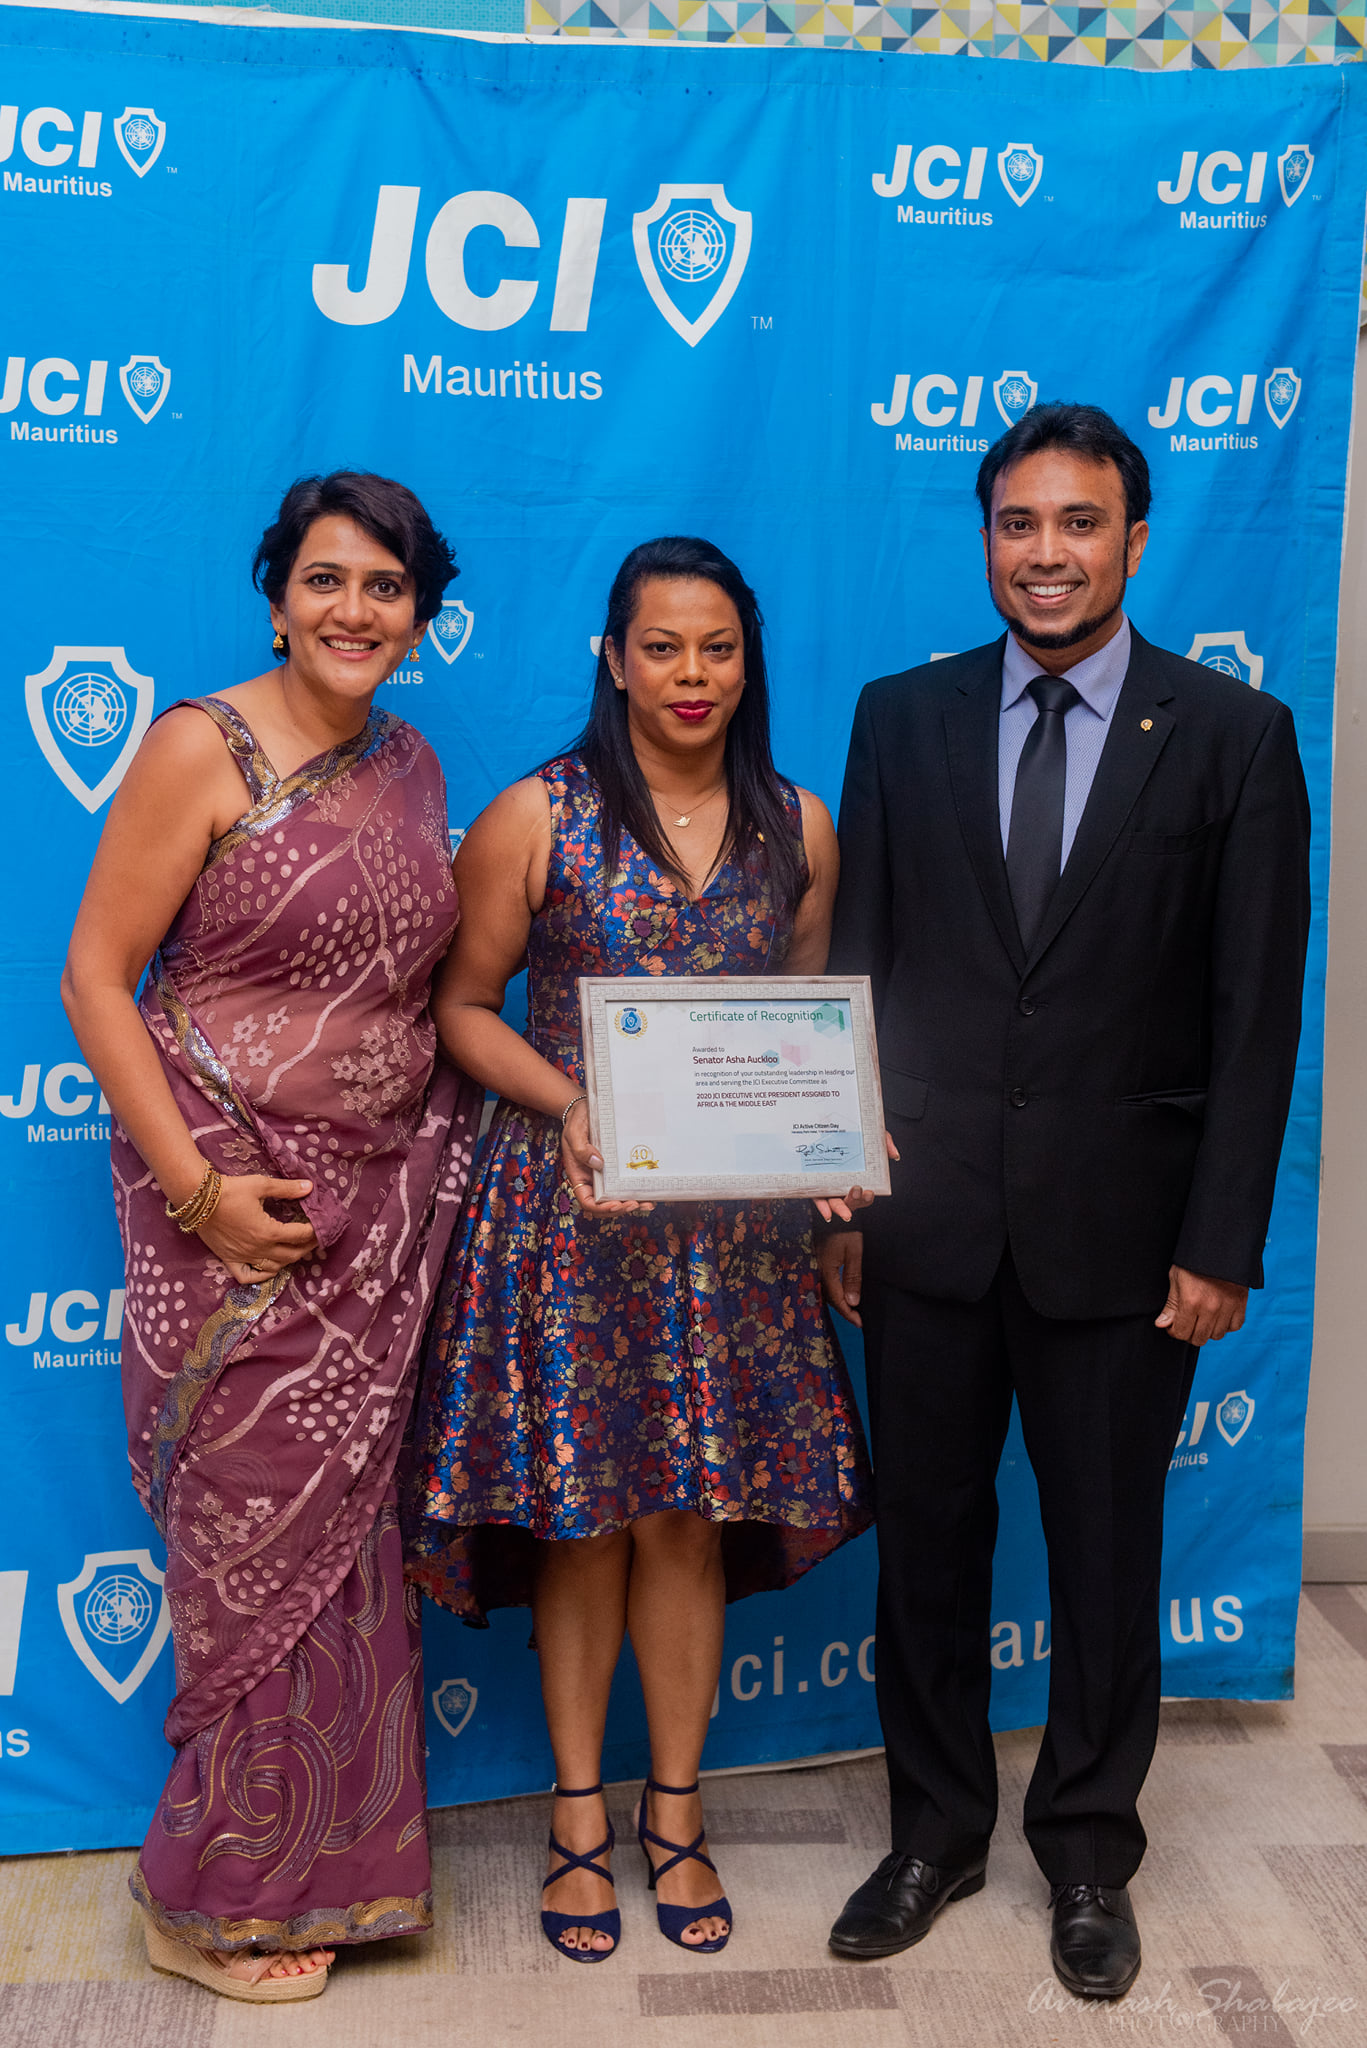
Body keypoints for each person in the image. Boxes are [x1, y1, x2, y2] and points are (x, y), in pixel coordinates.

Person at [821, 405, 1310, 1999]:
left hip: (1128, 1242)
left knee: (1106, 1558)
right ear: (987, 539)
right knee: (928, 1551)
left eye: (1079, 524)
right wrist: (842, 1199)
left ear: (1135, 541)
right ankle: (935, 1833)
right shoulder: (900, 719)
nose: (1047, 554)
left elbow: (1255, 1021)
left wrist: (1220, 1242)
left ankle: (1090, 1853)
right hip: (926, 1227)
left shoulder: (1234, 735)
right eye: (1019, 524)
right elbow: (859, 974)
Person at [405, 535, 875, 1963]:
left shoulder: (799, 824)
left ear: (748, 661)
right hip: (573, 1223)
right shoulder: (535, 815)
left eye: (717, 648)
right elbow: (463, 1007)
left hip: (732, 1244)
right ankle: (575, 1820)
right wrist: (573, 1107)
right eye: (661, 647)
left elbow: (802, 1018)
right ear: (613, 659)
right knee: (586, 1518)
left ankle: (677, 1813)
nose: (691, 675)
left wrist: (829, 1149)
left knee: (690, 1519)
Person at [60, 471, 481, 2004]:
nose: (354, 610)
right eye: (326, 580)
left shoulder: (414, 766)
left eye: (386, 586)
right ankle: (210, 1903)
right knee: (252, 1557)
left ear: (420, 614)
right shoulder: (203, 746)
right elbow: (97, 978)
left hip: (375, 1226)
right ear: (278, 596)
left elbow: (416, 1000)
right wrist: (200, 1193)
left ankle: (336, 1875)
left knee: (344, 1554)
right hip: (232, 1228)